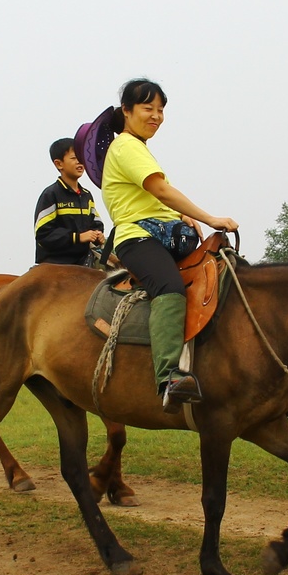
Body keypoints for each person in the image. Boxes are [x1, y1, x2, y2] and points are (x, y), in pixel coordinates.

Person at [101, 79, 238, 409]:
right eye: (148, 108)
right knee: (170, 287)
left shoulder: (139, 149)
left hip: (160, 232)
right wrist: (210, 219)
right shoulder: (126, 147)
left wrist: (180, 215)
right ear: (127, 111)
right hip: (137, 238)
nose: (156, 116)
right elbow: (160, 190)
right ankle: (168, 377)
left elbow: (156, 198)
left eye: (161, 110)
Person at [34, 137, 106, 266]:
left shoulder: (86, 195)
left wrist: (97, 235)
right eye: (74, 158)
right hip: (56, 263)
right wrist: (77, 237)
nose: (80, 162)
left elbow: (96, 224)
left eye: (81, 157)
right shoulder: (51, 194)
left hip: (84, 262)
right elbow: (43, 234)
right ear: (59, 164)